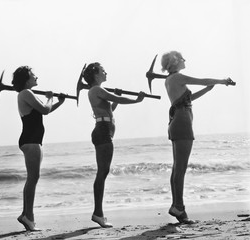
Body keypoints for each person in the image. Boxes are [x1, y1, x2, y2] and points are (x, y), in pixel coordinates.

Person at [160, 51, 233, 224]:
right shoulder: (177, 77)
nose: (185, 60)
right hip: (182, 121)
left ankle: (177, 207)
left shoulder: (171, 80)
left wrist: (207, 90)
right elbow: (203, 80)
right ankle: (179, 207)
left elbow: (188, 98)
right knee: (180, 168)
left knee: (177, 167)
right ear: (175, 61)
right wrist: (223, 81)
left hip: (178, 119)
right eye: (182, 58)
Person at [82, 62, 145, 228]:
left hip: (103, 129)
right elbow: (118, 99)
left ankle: (98, 213)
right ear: (96, 74)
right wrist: (137, 100)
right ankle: (98, 214)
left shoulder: (97, 91)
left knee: (103, 172)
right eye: (103, 70)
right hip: (102, 131)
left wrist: (114, 98)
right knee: (102, 173)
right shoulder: (96, 89)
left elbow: (110, 109)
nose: (105, 72)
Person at [11, 66, 65, 231]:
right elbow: (45, 109)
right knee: (33, 179)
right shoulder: (26, 93)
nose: (36, 77)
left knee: (32, 178)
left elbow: (44, 110)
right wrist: (49, 97)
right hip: (31, 141)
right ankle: (29, 217)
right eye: (33, 75)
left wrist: (59, 102)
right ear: (27, 79)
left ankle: (25, 214)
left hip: (32, 140)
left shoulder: (26, 94)